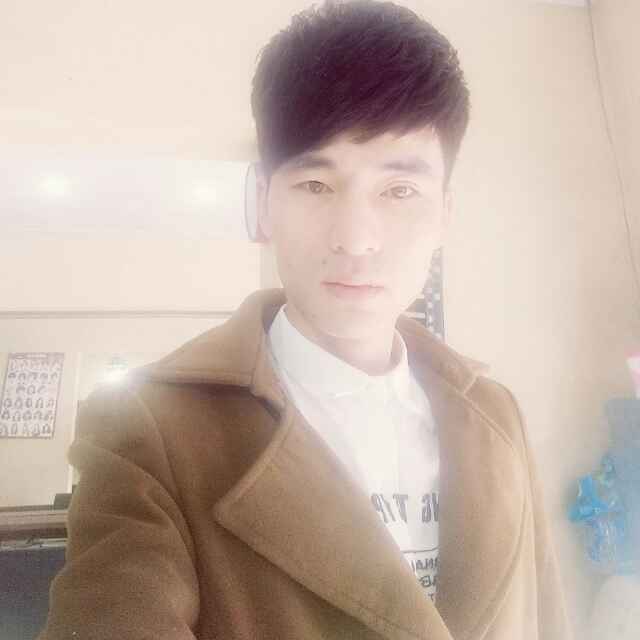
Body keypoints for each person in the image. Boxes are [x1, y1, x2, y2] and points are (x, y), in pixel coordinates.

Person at [38, 1, 572, 639]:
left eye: (400, 190)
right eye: (315, 185)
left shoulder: (496, 412)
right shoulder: (149, 428)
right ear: (265, 203)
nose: (356, 239)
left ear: (444, 216)